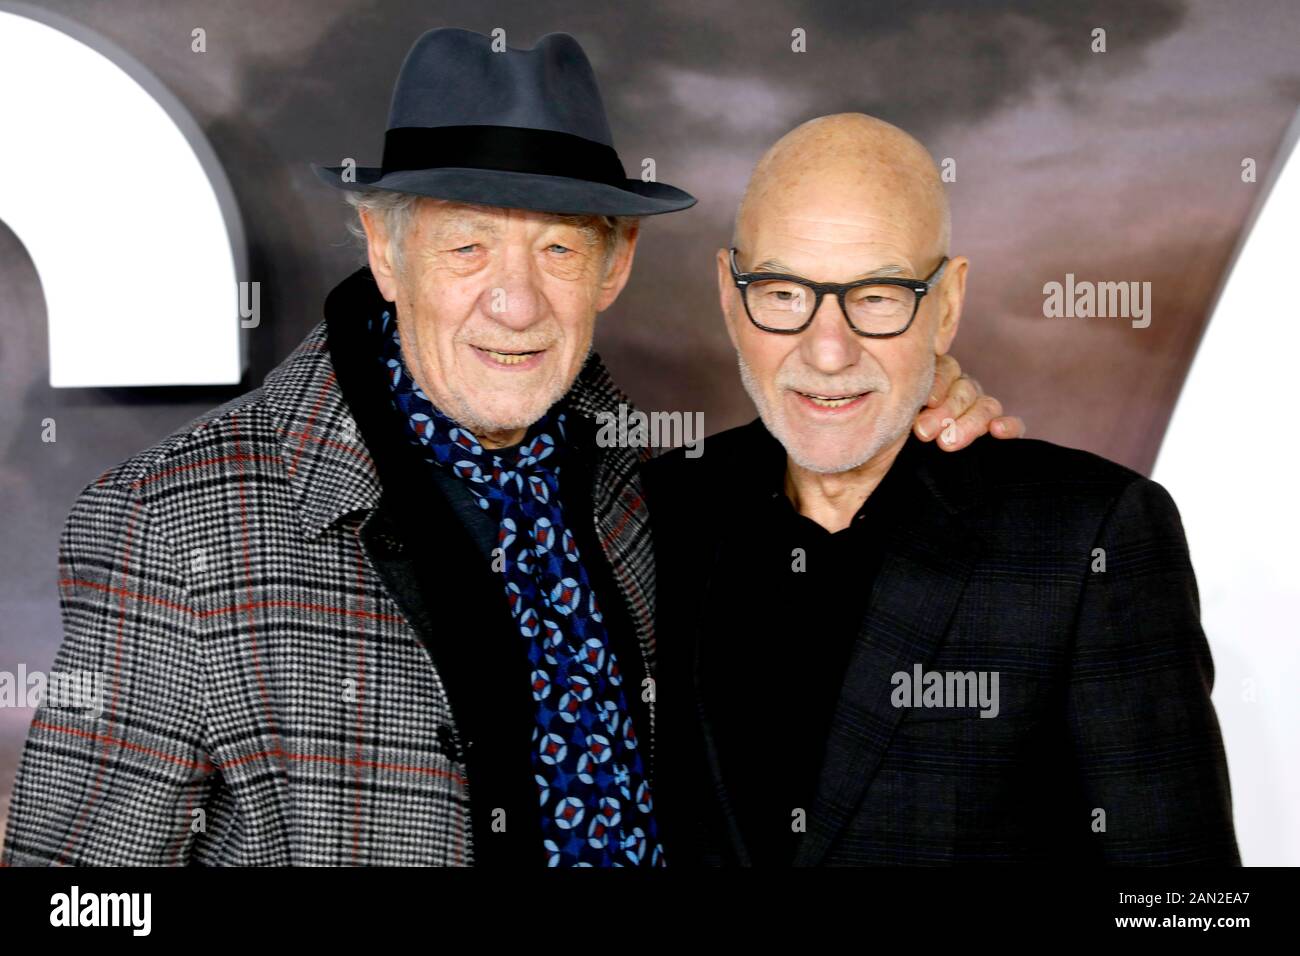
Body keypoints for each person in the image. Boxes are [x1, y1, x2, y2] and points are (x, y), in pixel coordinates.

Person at [2, 31, 1016, 867]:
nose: (517, 300)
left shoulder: (650, 491)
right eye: (468, 243)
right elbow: (76, 894)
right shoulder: (174, 523)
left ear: (614, 266)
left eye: (558, 247)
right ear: (385, 249)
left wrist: (916, 401)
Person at [648, 113, 1240, 866]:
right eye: (784, 291)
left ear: (948, 305)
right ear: (731, 298)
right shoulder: (652, 513)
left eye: (879, 296)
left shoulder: (1090, 538)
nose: (828, 350)